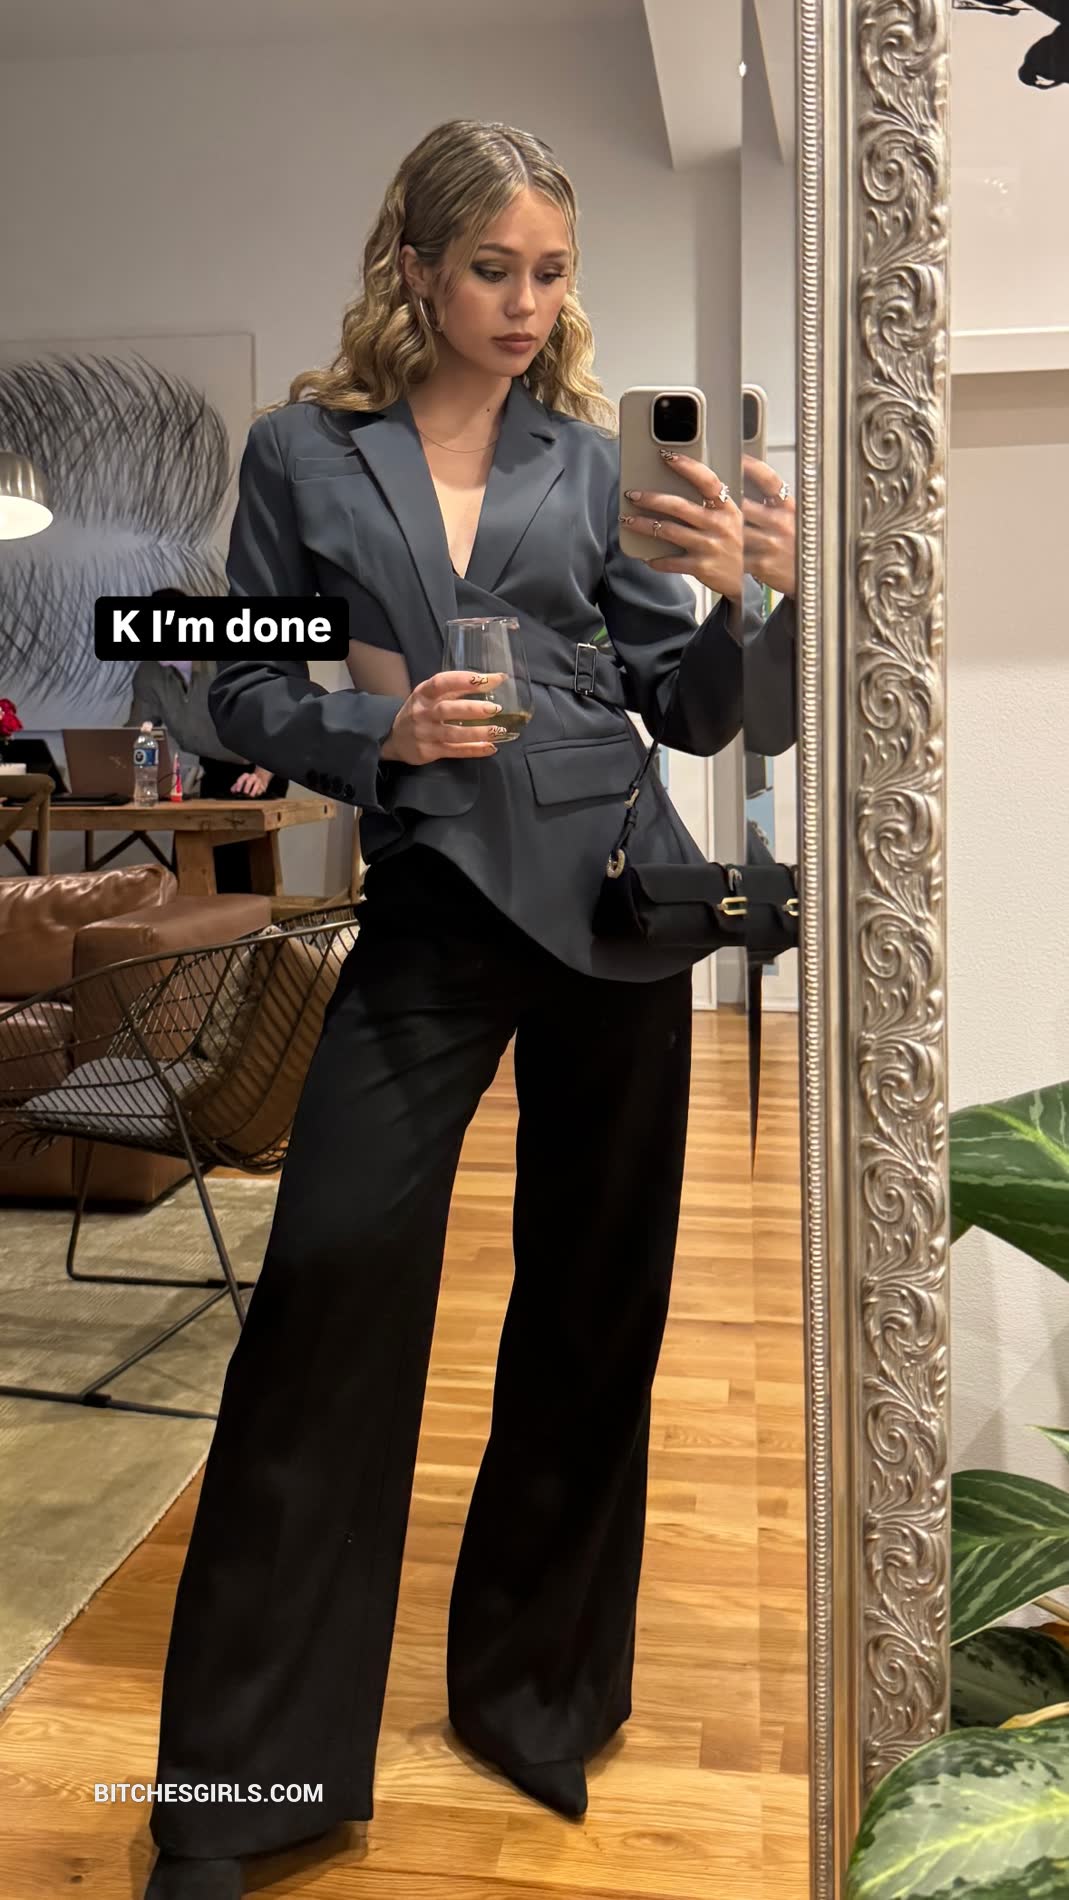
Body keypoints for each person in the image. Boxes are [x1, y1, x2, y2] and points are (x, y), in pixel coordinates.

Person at [143, 118, 772, 1900]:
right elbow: (224, 684)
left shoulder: (595, 463)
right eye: (491, 267)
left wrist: (748, 599)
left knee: (591, 1306)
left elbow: (690, 706)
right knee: (326, 1292)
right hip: (429, 899)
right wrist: (375, 729)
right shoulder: (302, 451)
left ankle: (533, 1696)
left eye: (549, 272)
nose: (523, 302)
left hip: (618, 902)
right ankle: (244, 1793)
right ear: (413, 266)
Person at [127, 595, 288, 891]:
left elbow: (275, 721)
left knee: (238, 871)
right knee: (191, 860)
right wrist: (130, 777)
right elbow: (138, 733)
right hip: (213, 767)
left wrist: (261, 777)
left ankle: (253, 920)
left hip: (259, 765)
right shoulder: (149, 672)